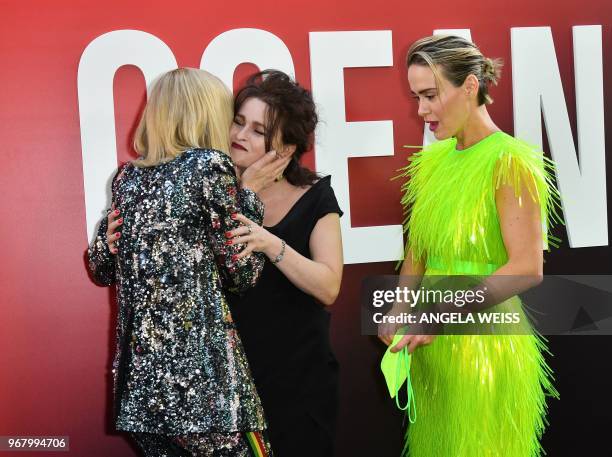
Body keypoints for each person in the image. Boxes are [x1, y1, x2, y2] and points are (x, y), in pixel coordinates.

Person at [87, 68, 288, 456]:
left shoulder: (127, 177)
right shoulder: (209, 166)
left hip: (142, 398)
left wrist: (104, 238)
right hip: (206, 396)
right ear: (207, 114)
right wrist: (249, 196)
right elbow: (242, 272)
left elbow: (101, 268)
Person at [380, 36, 562, 456]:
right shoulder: (432, 163)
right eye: (416, 97)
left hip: (487, 348)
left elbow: (526, 267)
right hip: (432, 352)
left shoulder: (509, 161)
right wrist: (401, 307)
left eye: (430, 95)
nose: (420, 110)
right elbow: (418, 253)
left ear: (470, 86)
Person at [225, 70, 344, 457]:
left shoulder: (315, 197)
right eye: (239, 122)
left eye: (258, 131)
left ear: (287, 149)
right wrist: (245, 195)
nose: (240, 135)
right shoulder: (215, 194)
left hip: (299, 382)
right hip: (230, 386)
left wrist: (270, 243)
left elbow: (328, 286)